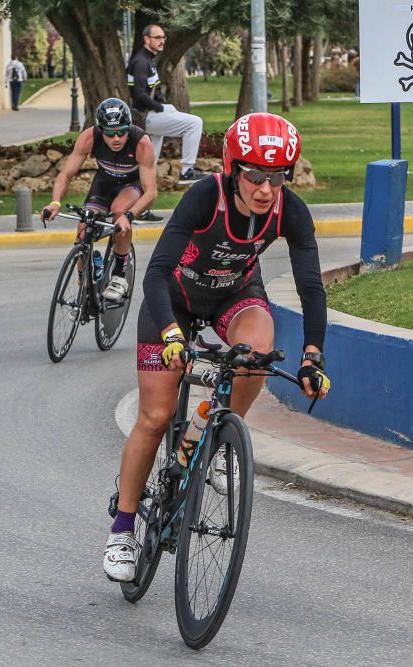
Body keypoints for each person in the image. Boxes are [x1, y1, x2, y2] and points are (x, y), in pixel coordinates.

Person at [102, 112, 331, 582]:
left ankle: (215, 434)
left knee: (259, 350)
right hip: (175, 302)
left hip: (235, 296)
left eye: (277, 176)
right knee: (156, 415)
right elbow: (157, 272)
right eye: (254, 176)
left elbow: (311, 289)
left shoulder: (291, 211)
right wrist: (169, 333)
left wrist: (313, 356)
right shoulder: (206, 198)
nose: (266, 189)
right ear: (232, 169)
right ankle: (123, 529)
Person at [42, 98, 157, 302]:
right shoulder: (88, 137)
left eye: (121, 131)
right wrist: (55, 202)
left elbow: (151, 192)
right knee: (83, 227)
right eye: (109, 133)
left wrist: (129, 216)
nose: (116, 138)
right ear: (100, 129)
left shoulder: (141, 143)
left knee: (118, 210)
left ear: (129, 127)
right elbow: (66, 174)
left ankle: (119, 276)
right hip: (104, 182)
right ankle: (84, 281)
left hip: (132, 184)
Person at [127, 24, 206, 188]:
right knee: (194, 123)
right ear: (146, 39)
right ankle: (187, 171)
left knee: (149, 165)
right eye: (157, 38)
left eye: (163, 37)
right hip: (146, 117)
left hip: (151, 114)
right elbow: (139, 94)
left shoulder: (148, 59)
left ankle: (141, 207)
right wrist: (159, 107)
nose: (162, 41)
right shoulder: (141, 61)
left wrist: (164, 107)